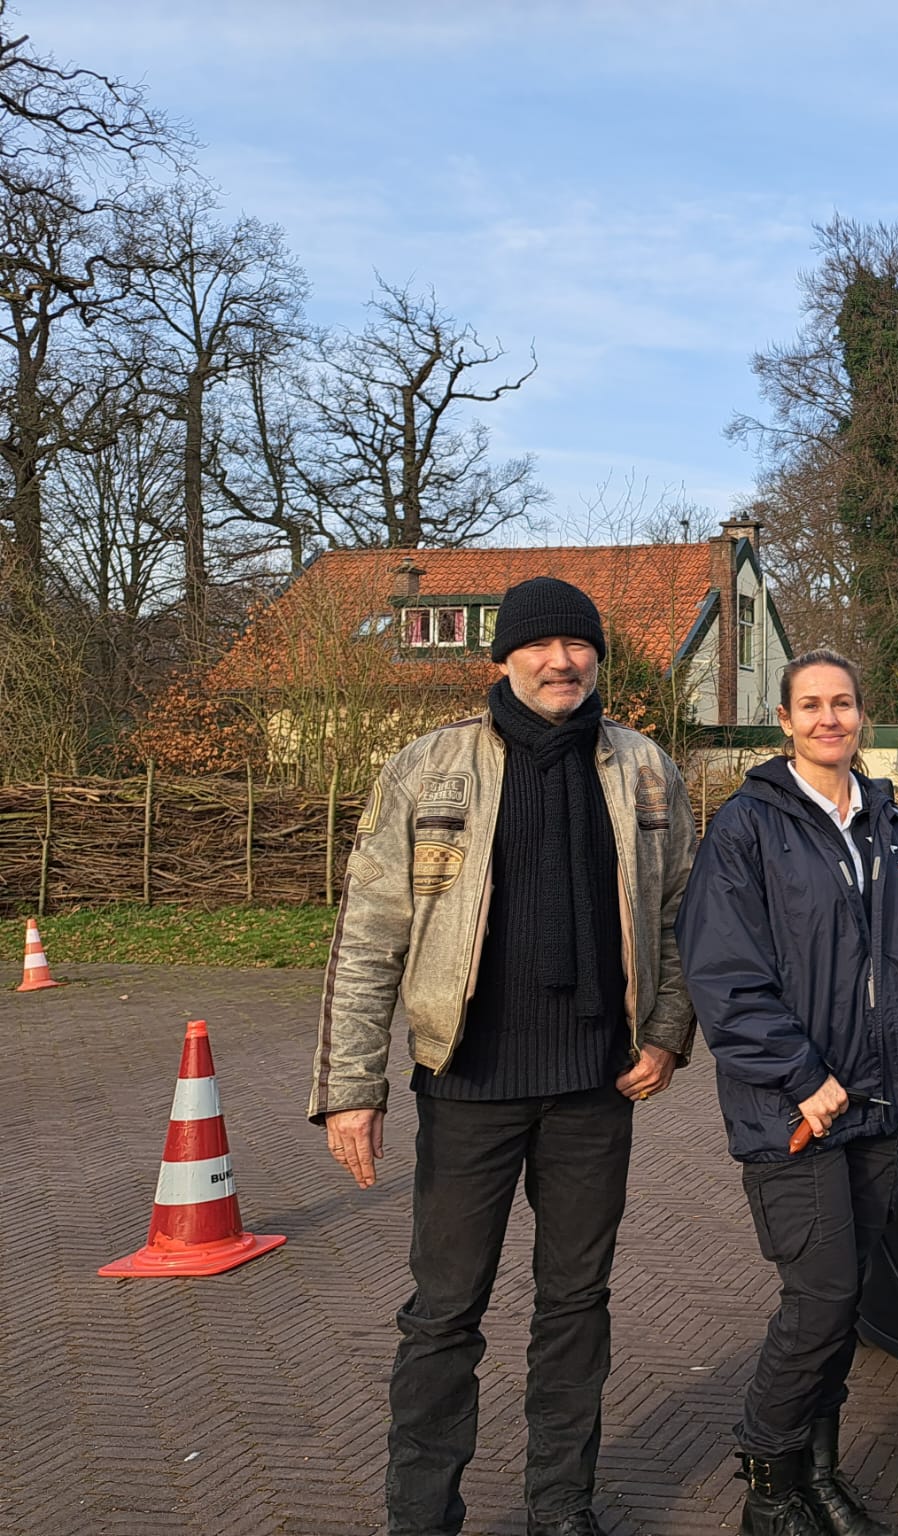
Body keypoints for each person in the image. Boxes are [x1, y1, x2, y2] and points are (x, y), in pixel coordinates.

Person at [310, 576, 696, 1536]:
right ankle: (421, 1514)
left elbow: (685, 917)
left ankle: (560, 1505)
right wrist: (350, 1088)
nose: (562, 661)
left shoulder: (646, 769)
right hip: (467, 1081)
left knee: (577, 1306)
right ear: (505, 657)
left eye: (579, 645)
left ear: (598, 658)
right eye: (541, 644)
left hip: (594, 1089)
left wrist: (665, 1034)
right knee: (443, 1314)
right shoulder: (427, 769)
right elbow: (369, 934)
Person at [681, 649, 898, 1536]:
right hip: (791, 1105)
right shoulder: (747, 829)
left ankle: (818, 1479)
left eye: (842, 703)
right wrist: (805, 1079)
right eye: (810, 706)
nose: (829, 718)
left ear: (861, 716)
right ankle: (765, 1481)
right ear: (786, 721)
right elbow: (724, 977)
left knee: (849, 1298)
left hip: (874, 1102)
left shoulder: (890, 826)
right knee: (820, 1297)